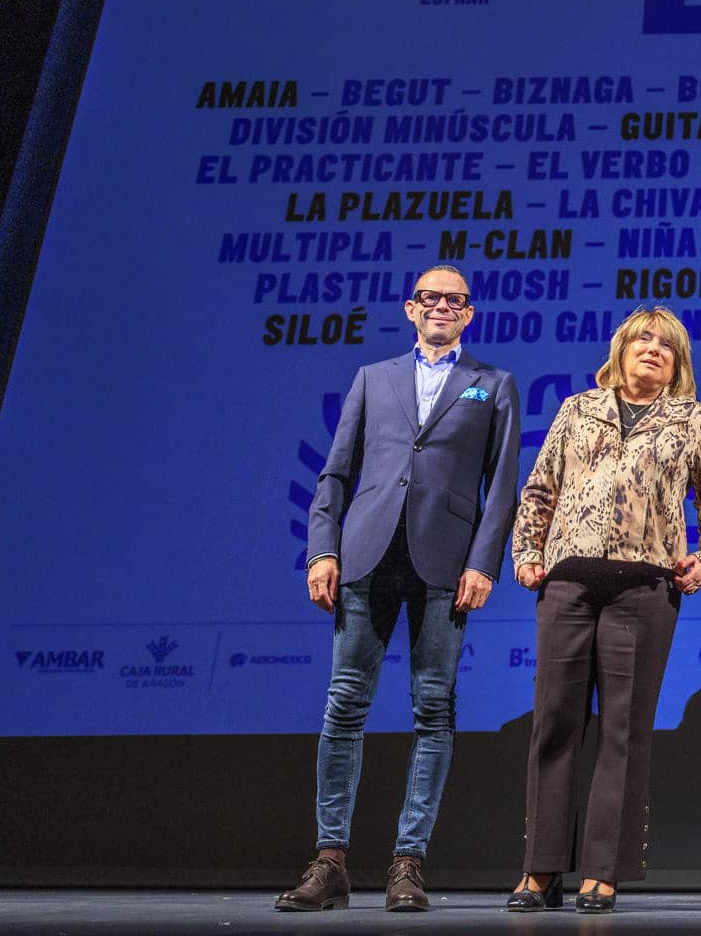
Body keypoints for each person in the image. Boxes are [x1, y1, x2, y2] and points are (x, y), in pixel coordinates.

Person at [276, 264, 521, 913]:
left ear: (469, 313)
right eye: (429, 298)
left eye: (454, 300)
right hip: (366, 552)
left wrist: (484, 563)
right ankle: (330, 862)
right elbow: (335, 473)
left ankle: (408, 863)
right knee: (344, 705)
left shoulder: (493, 383)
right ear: (411, 308)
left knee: (433, 710)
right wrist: (322, 548)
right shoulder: (372, 378)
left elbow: (501, 487)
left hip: (447, 563)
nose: (442, 306)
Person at [505, 307, 701, 914]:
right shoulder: (577, 409)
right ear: (621, 348)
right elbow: (540, 488)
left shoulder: (690, 418)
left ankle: (601, 871)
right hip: (568, 583)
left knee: (623, 729)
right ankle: (541, 869)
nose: (653, 349)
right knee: (554, 721)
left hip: (645, 589)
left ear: (678, 363)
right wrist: (527, 552)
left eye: (667, 345)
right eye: (643, 339)